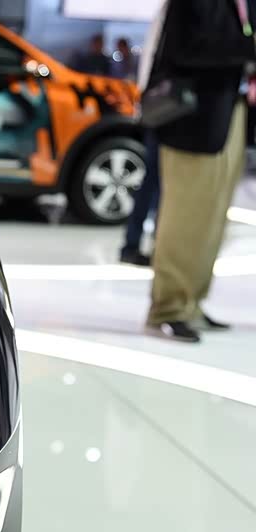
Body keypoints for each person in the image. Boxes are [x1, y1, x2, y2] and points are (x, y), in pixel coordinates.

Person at [142, 0, 255, 342]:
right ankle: (168, 309)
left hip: (227, 111)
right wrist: (247, 49)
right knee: (185, 219)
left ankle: (190, 303)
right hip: (192, 117)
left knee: (212, 218)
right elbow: (188, 47)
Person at [120, 129, 159, 266]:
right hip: (169, 133)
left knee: (149, 187)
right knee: (157, 190)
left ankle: (131, 247)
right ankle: (159, 249)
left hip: (158, 127)